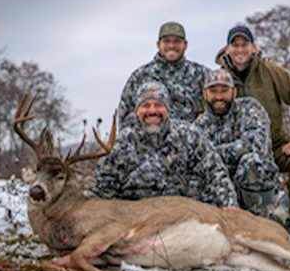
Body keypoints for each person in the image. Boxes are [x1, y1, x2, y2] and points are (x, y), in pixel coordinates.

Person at [216, 25, 290, 240]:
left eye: (245, 44)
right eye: (235, 45)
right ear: (227, 49)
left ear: (254, 47)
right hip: (238, 150)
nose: (240, 49)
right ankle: (247, 223)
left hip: (274, 146)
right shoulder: (218, 78)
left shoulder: (271, 71)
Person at [92, 81, 238, 208]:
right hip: (138, 222)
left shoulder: (190, 135)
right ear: (137, 111)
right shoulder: (122, 143)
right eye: (146, 105)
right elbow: (102, 189)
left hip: (187, 217)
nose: (152, 111)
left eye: (159, 105)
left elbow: (216, 174)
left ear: (168, 109)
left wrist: (230, 205)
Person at [195, 69, 280, 217]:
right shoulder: (199, 124)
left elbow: (253, 146)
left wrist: (210, 153)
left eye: (224, 91)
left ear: (234, 93)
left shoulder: (250, 108)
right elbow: (194, 159)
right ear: (205, 94)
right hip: (219, 186)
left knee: (252, 162)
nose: (219, 96)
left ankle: (261, 217)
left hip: (250, 184)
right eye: (213, 91)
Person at [118, 21, 211, 128]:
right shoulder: (140, 76)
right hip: (151, 142)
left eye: (177, 41)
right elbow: (124, 116)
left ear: (185, 45)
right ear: (158, 44)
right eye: (166, 41)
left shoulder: (202, 74)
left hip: (191, 141)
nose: (171, 46)